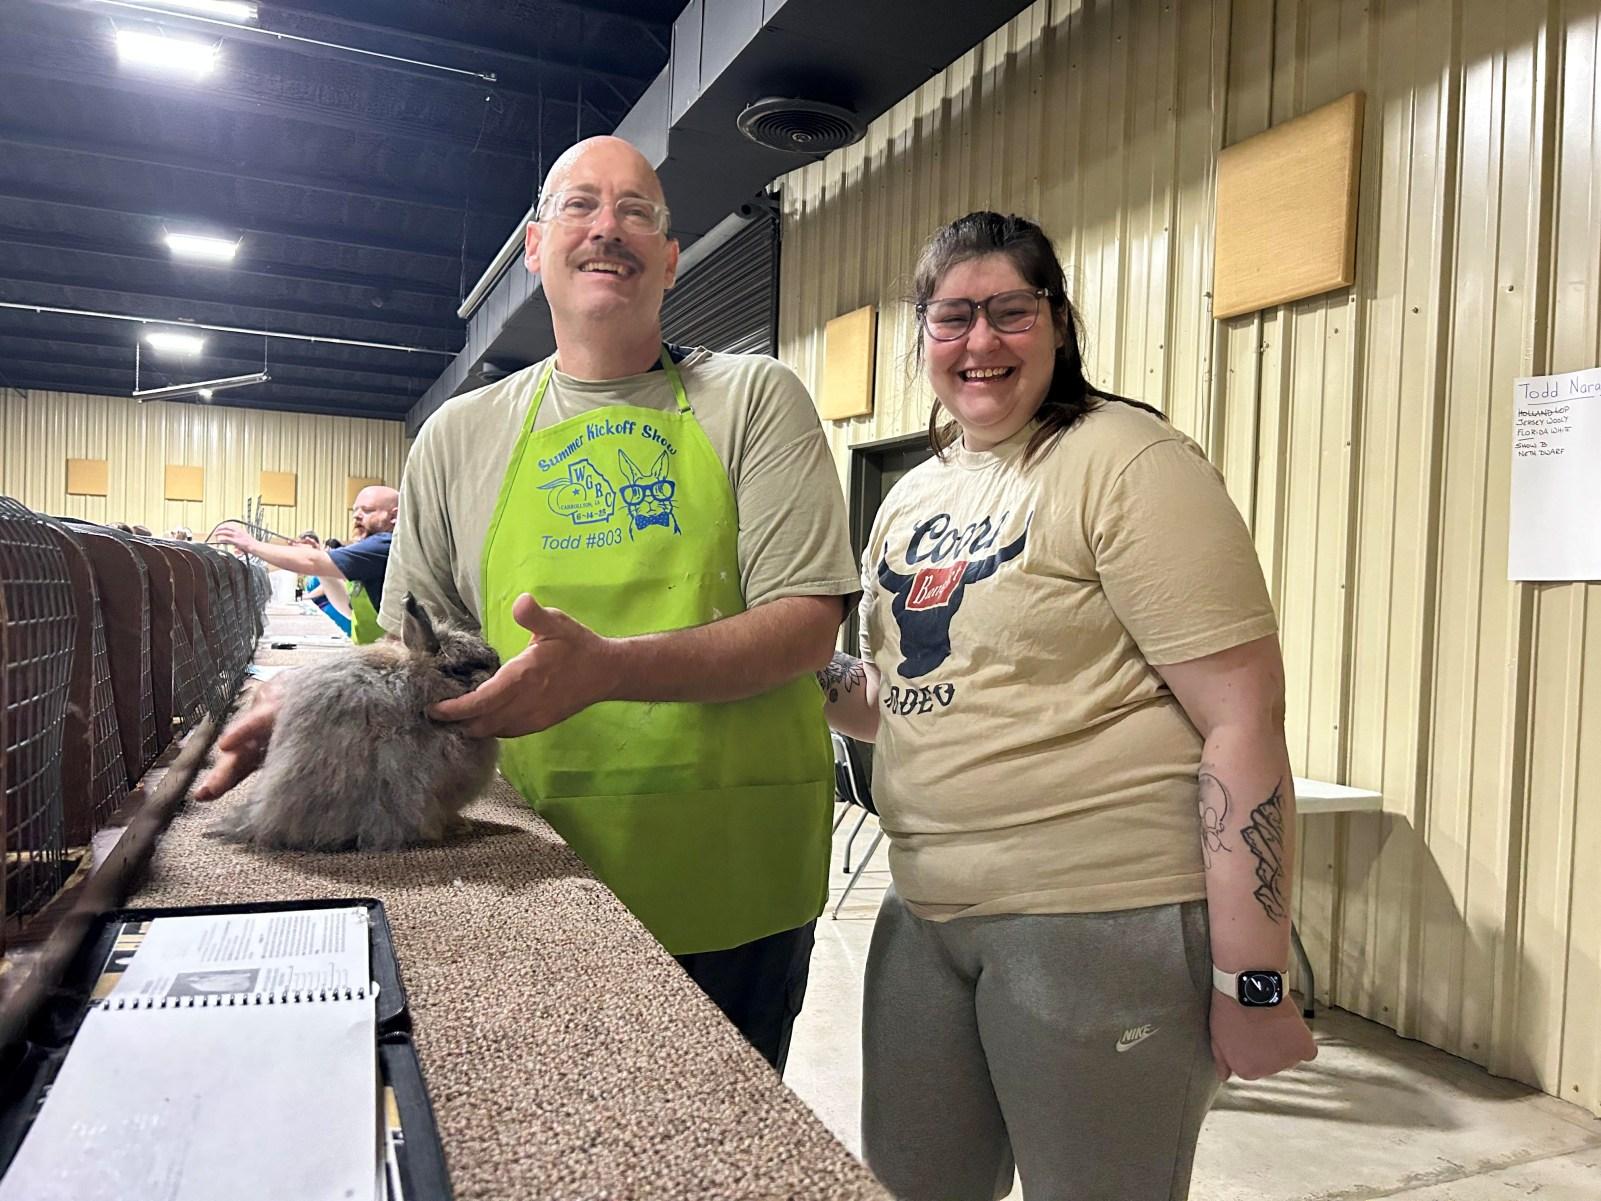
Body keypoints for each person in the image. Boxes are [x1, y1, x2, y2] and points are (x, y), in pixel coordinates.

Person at [196, 135, 857, 1072]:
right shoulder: (458, 434)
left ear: (671, 258)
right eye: (580, 204)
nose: (608, 228)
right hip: (522, 860)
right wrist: (313, 703)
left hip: (732, 869)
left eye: (637, 211)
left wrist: (609, 670)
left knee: (716, 1129)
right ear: (535, 247)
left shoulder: (754, 398)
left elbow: (805, 626)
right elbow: (411, 651)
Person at [817, 211, 1317, 1201]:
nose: (980, 340)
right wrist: (782, 660)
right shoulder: (912, 499)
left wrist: (1252, 981)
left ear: (1056, 322)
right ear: (923, 333)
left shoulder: (1127, 462)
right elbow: (900, 700)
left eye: (1009, 310)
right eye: (952, 316)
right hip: (923, 910)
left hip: (1097, 915)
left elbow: (1242, 720)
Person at [212, 487, 398, 644]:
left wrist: (251, 544)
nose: (357, 516)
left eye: (367, 510)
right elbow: (348, 609)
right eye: (355, 510)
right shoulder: (370, 555)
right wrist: (323, 569)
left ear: (394, 516)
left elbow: (312, 561)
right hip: (371, 656)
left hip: (389, 662)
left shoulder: (387, 544)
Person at [303, 537, 353, 637]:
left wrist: (306, 597)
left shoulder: (333, 565)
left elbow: (325, 587)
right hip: (325, 607)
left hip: (334, 610)